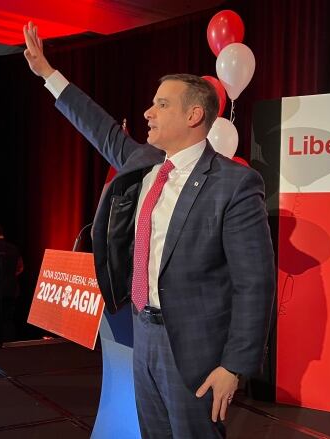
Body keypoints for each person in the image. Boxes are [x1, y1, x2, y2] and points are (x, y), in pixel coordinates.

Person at [23, 22, 275, 438]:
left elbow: (255, 283)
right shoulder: (143, 161)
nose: (147, 113)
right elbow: (98, 125)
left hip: (194, 350)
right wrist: (48, 73)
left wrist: (234, 366)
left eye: (161, 105)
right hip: (142, 335)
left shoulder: (234, 184)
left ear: (194, 115)